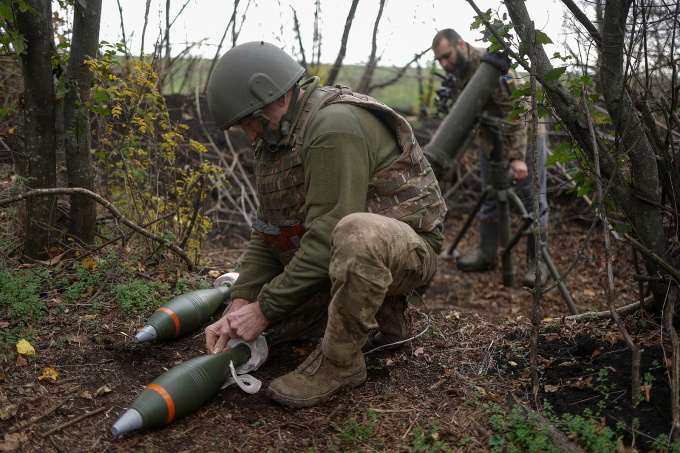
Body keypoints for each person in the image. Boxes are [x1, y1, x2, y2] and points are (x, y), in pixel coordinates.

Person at [204, 41, 447, 408]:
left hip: (405, 251)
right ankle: (382, 317)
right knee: (271, 333)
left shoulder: (333, 126)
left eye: (248, 122)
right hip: (341, 252)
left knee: (354, 234)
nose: (249, 135)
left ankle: (341, 362)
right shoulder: (275, 138)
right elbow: (271, 231)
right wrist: (243, 301)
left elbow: (329, 232)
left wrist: (264, 308)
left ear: (274, 98)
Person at [431, 28, 549, 287]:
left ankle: (539, 263)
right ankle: (486, 254)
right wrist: (456, 151)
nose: (444, 63)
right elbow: (462, 114)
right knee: (490, 193)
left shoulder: (491, 66)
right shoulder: (458, 73)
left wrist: (517, 157)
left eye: (446, 56)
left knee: (532, 198)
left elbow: (520, 109)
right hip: (491, 139)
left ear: (460, 44)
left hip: (525, 134)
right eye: (439, 60)